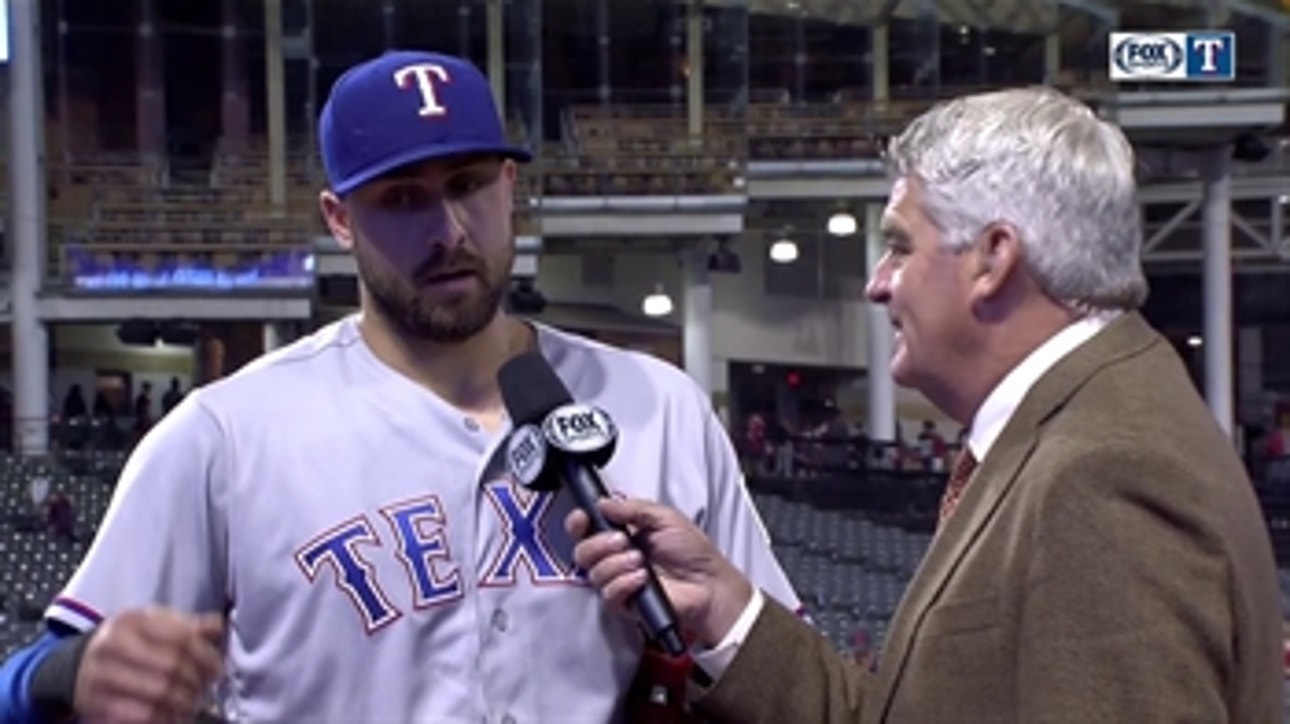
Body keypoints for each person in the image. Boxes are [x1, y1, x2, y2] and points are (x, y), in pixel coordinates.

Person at [0, 49, 800, 724]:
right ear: (339, 219)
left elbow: (781, 662)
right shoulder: (227, 434)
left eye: (467, 183)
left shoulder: (661, 407)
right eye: (403, 198)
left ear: (509, 187)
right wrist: (63, 677)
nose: (448, 231)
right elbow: (26, 679)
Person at [569, 86, 1285, 723]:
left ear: (993, 258)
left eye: (900, 248)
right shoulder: (1082, 423)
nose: (878, 285)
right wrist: (725, 607)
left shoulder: (1104, 472)